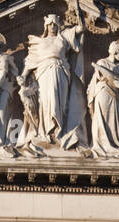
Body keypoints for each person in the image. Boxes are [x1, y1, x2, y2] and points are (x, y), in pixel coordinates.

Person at [22, 12, 87, 149]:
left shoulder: (63, 38)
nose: (52, 27)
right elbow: (31, 61)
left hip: (60, 71)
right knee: (45, 101)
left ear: (58, 26)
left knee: (60, 102)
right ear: (46, 26)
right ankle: (46, 131)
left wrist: (79, 11)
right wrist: (23, 75)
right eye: (49, 24)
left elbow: (80, 28)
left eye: (55, 24)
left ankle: (60, 131)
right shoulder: (40, 42)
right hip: (44, 72)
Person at [86, 40, 119, 156]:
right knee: (104, 118)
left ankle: (116, 143)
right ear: (113, 52)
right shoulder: (102, 62)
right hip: (104, 92)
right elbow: (106, 77)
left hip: (117, 95)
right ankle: (104, 144)